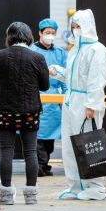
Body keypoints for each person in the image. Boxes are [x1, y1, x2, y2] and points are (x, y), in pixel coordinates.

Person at [49, 9, 106, 200]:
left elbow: (96, 80)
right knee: (69, 146)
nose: (75, 30)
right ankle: (75, 186)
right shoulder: (75, 49)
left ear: (88, 27)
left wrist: (92, 104)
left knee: (89, 144)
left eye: (79, 27)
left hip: (86, 103)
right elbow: (72, 76)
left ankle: (96, 187)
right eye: (73, 27)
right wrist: (58, 71)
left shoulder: (97, 50)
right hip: (70, 101)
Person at [0, 22, 49, 205]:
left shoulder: (0, 55)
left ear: (9, 36)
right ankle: (31, 196)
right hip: (30, 111)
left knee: (6, 152)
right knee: (31, 152)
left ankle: (6, 195)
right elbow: (45, 86)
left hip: (5, 110)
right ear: (29, 36)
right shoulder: (37, 57)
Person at [31, 18, 67, 177]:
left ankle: (43, 165)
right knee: (37, 134)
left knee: (50, 136)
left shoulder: (59, 53)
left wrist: (66, 96)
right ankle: (39, 165)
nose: (50, 36)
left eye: (53, 33)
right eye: (47, 33)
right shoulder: (31, 51)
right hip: (36, 96)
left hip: (54, 99)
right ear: (39, 33)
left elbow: (66, 76)